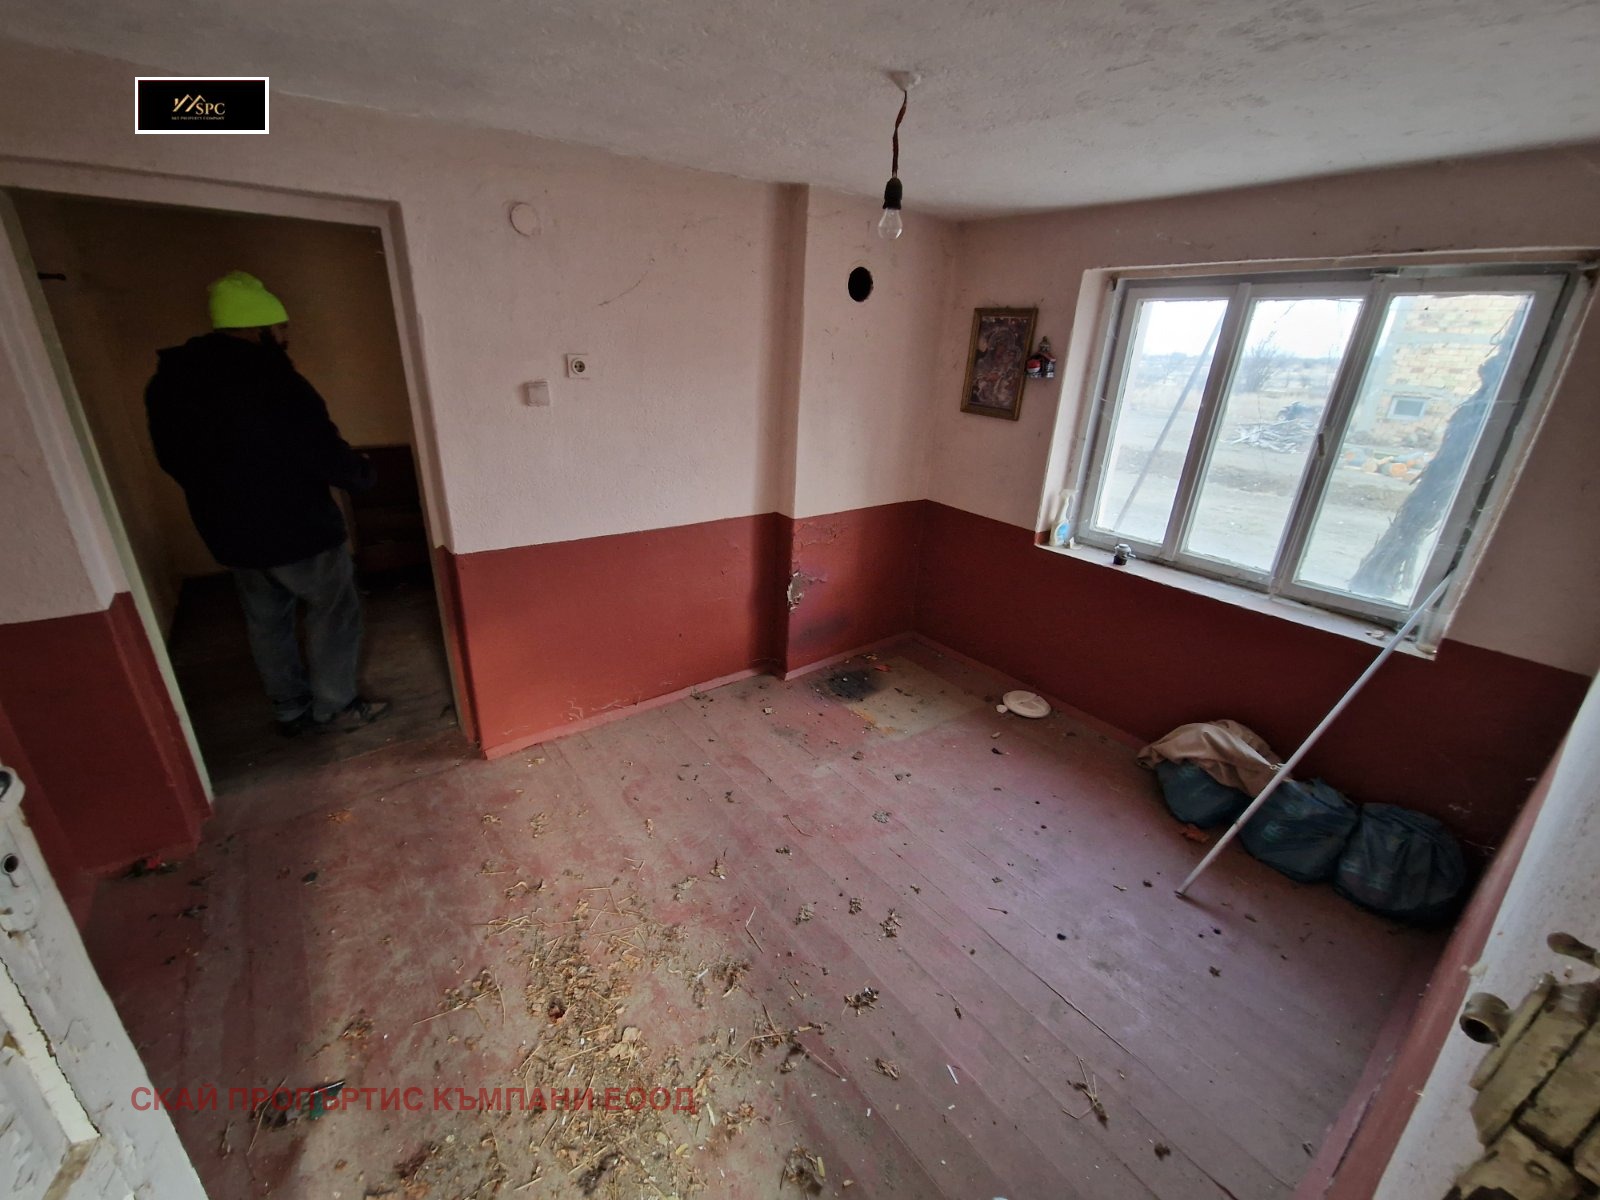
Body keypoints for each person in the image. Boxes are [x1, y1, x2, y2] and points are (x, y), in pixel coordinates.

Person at [146, 270, 389, 736]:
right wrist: (361, 474)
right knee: (333, 612)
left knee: (265, 621)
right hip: (299, 529)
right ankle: (336, 706)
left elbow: (171, 458)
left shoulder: (169, 384)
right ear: (260, 329)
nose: (285, 335)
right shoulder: (276, 383)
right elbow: (320, 449)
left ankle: (289, 708)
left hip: (228, 531)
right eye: (281, 327)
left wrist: (223, 494)